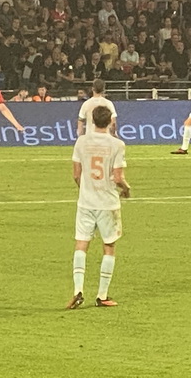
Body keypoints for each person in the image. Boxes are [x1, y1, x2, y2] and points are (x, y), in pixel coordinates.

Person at [66, 105, 131, 309]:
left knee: (81, 244)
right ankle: (102, 296)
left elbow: (76, 174)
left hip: (86, 202)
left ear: (92, 121)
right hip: (108, 203)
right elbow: (118, 177)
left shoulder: (82, 142)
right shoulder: (117, 145)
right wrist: (127, 189)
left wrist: (86, 189)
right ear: (111, 120)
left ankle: (78, 290)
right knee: (109, 246)